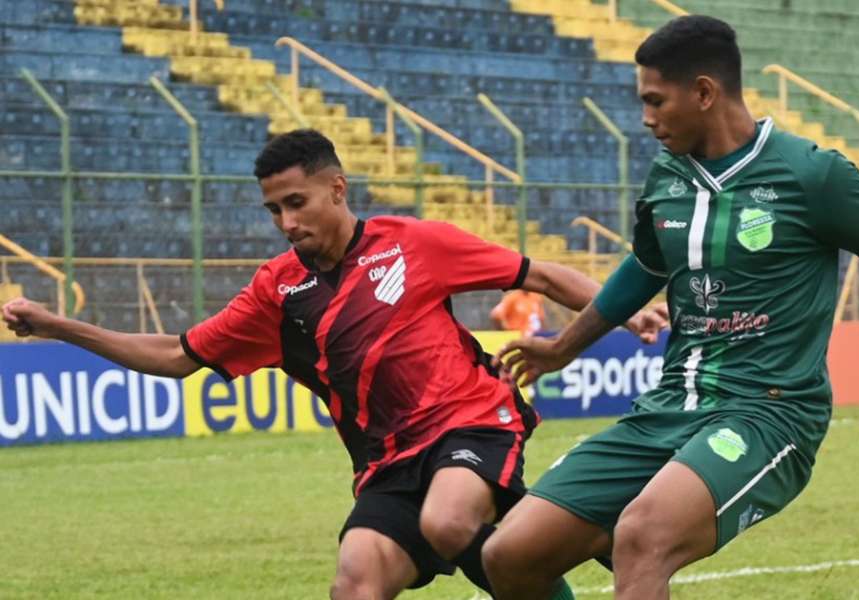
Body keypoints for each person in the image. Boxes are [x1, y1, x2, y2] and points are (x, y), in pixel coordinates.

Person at [2, 129, 668, 599]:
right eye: (273, 210)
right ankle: (565, 533)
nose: (286, 221)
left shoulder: (414, 244)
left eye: (297, 203)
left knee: (448, 520)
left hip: (472, 421)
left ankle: (546, 554)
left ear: (337, 189)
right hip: (386, 465)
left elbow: (540, 274)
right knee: (355, 580)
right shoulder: (276, 291)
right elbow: (178, 356)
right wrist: (60, 326)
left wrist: (624, 310)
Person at [481, 15, 859, 600]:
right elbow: (645, 267)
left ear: (704, 93)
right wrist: (561, 348)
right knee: (510, 555)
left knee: (643, 535)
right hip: (669, 406)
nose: (646, 118)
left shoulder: (811, 174)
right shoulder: (667, 177)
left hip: (768, 412)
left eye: (656, 101)